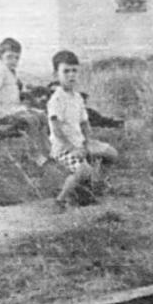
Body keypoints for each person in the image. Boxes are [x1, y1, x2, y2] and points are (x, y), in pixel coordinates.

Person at [47, 49, 119, 208]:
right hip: (63, 148)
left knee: (111, 154)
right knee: (83, 170)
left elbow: (85, 123)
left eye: (74, 71)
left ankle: (96, 184)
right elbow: (57, 130)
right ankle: (60, 199)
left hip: (80, 143)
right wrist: (72, 148)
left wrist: (87, 142)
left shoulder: (77, 97)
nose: (71, 75)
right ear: (55, 75)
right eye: (66, 71)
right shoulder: (56, 100)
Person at [0, 37, 49, 163]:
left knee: (41, 115)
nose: (13, 61)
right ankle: (33, 153)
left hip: (13, 110)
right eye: (9, 57)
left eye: (16, 58)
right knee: (30, 120)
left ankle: (46, 148)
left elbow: (17, 90)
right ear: (0, 57)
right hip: (3, 114)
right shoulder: (1, 71)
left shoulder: (11, 73)